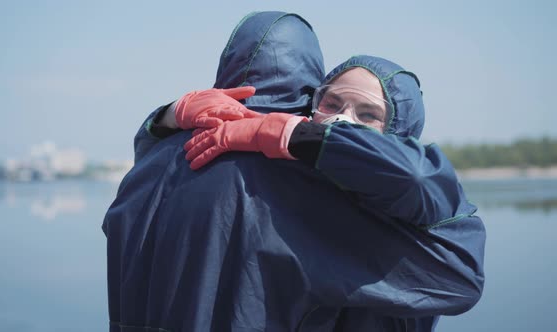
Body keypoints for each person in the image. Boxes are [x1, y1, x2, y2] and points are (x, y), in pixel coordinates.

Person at [103, 11, 485, 332]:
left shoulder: (149, 167)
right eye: (330, 103)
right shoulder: (301, 186)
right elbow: (459, 276)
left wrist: (167, 115)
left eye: (368, 115)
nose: (340, 122)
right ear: (308, 95)